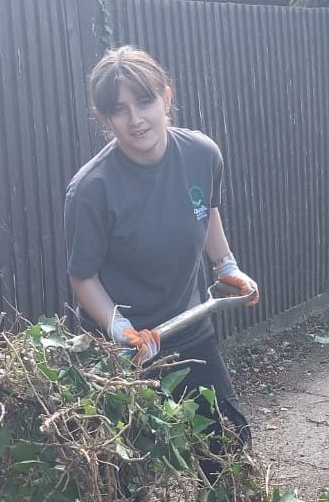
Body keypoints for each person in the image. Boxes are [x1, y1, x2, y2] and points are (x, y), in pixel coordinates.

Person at [64, 44, 258, 446]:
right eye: (119, 110)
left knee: (229, 450)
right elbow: (83, 277)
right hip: (123, 354)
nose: (136, 119)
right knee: (133, 481)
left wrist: (225, 266)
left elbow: (205, 211)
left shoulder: (202, 154)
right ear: (103, 118)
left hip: (188, 330)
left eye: (145, 101)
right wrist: (121, 330)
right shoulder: (91, 190)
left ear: (166, 97)